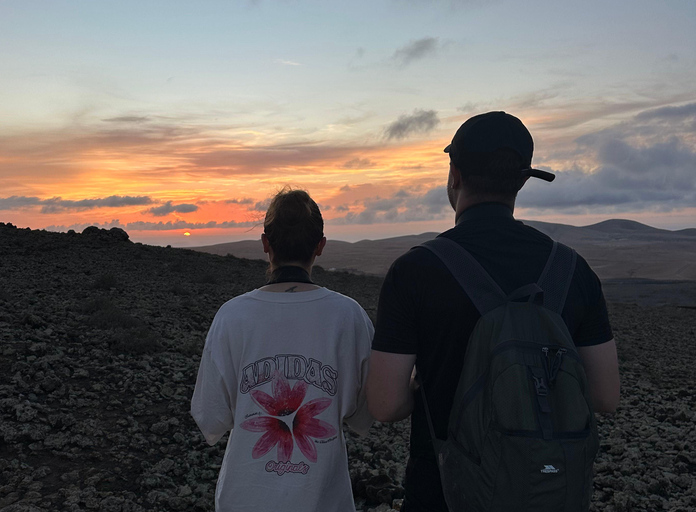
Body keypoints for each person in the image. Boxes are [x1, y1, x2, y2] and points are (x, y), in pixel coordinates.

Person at [365, 111, 620, 511]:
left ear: (455, 175)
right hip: (549, 492)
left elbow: (384, 404)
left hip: (444, 494)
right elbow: (605, 396)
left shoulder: (415, 271)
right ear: (522, 181)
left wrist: (426, 384)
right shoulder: (573, 270)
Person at [191, 188, 374, 512]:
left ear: (265, 243)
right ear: (320, 245)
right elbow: (363, 414)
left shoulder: (232, 317)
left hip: (243, 500)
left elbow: (212, 416)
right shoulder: (350, 317)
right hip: (323, 501)